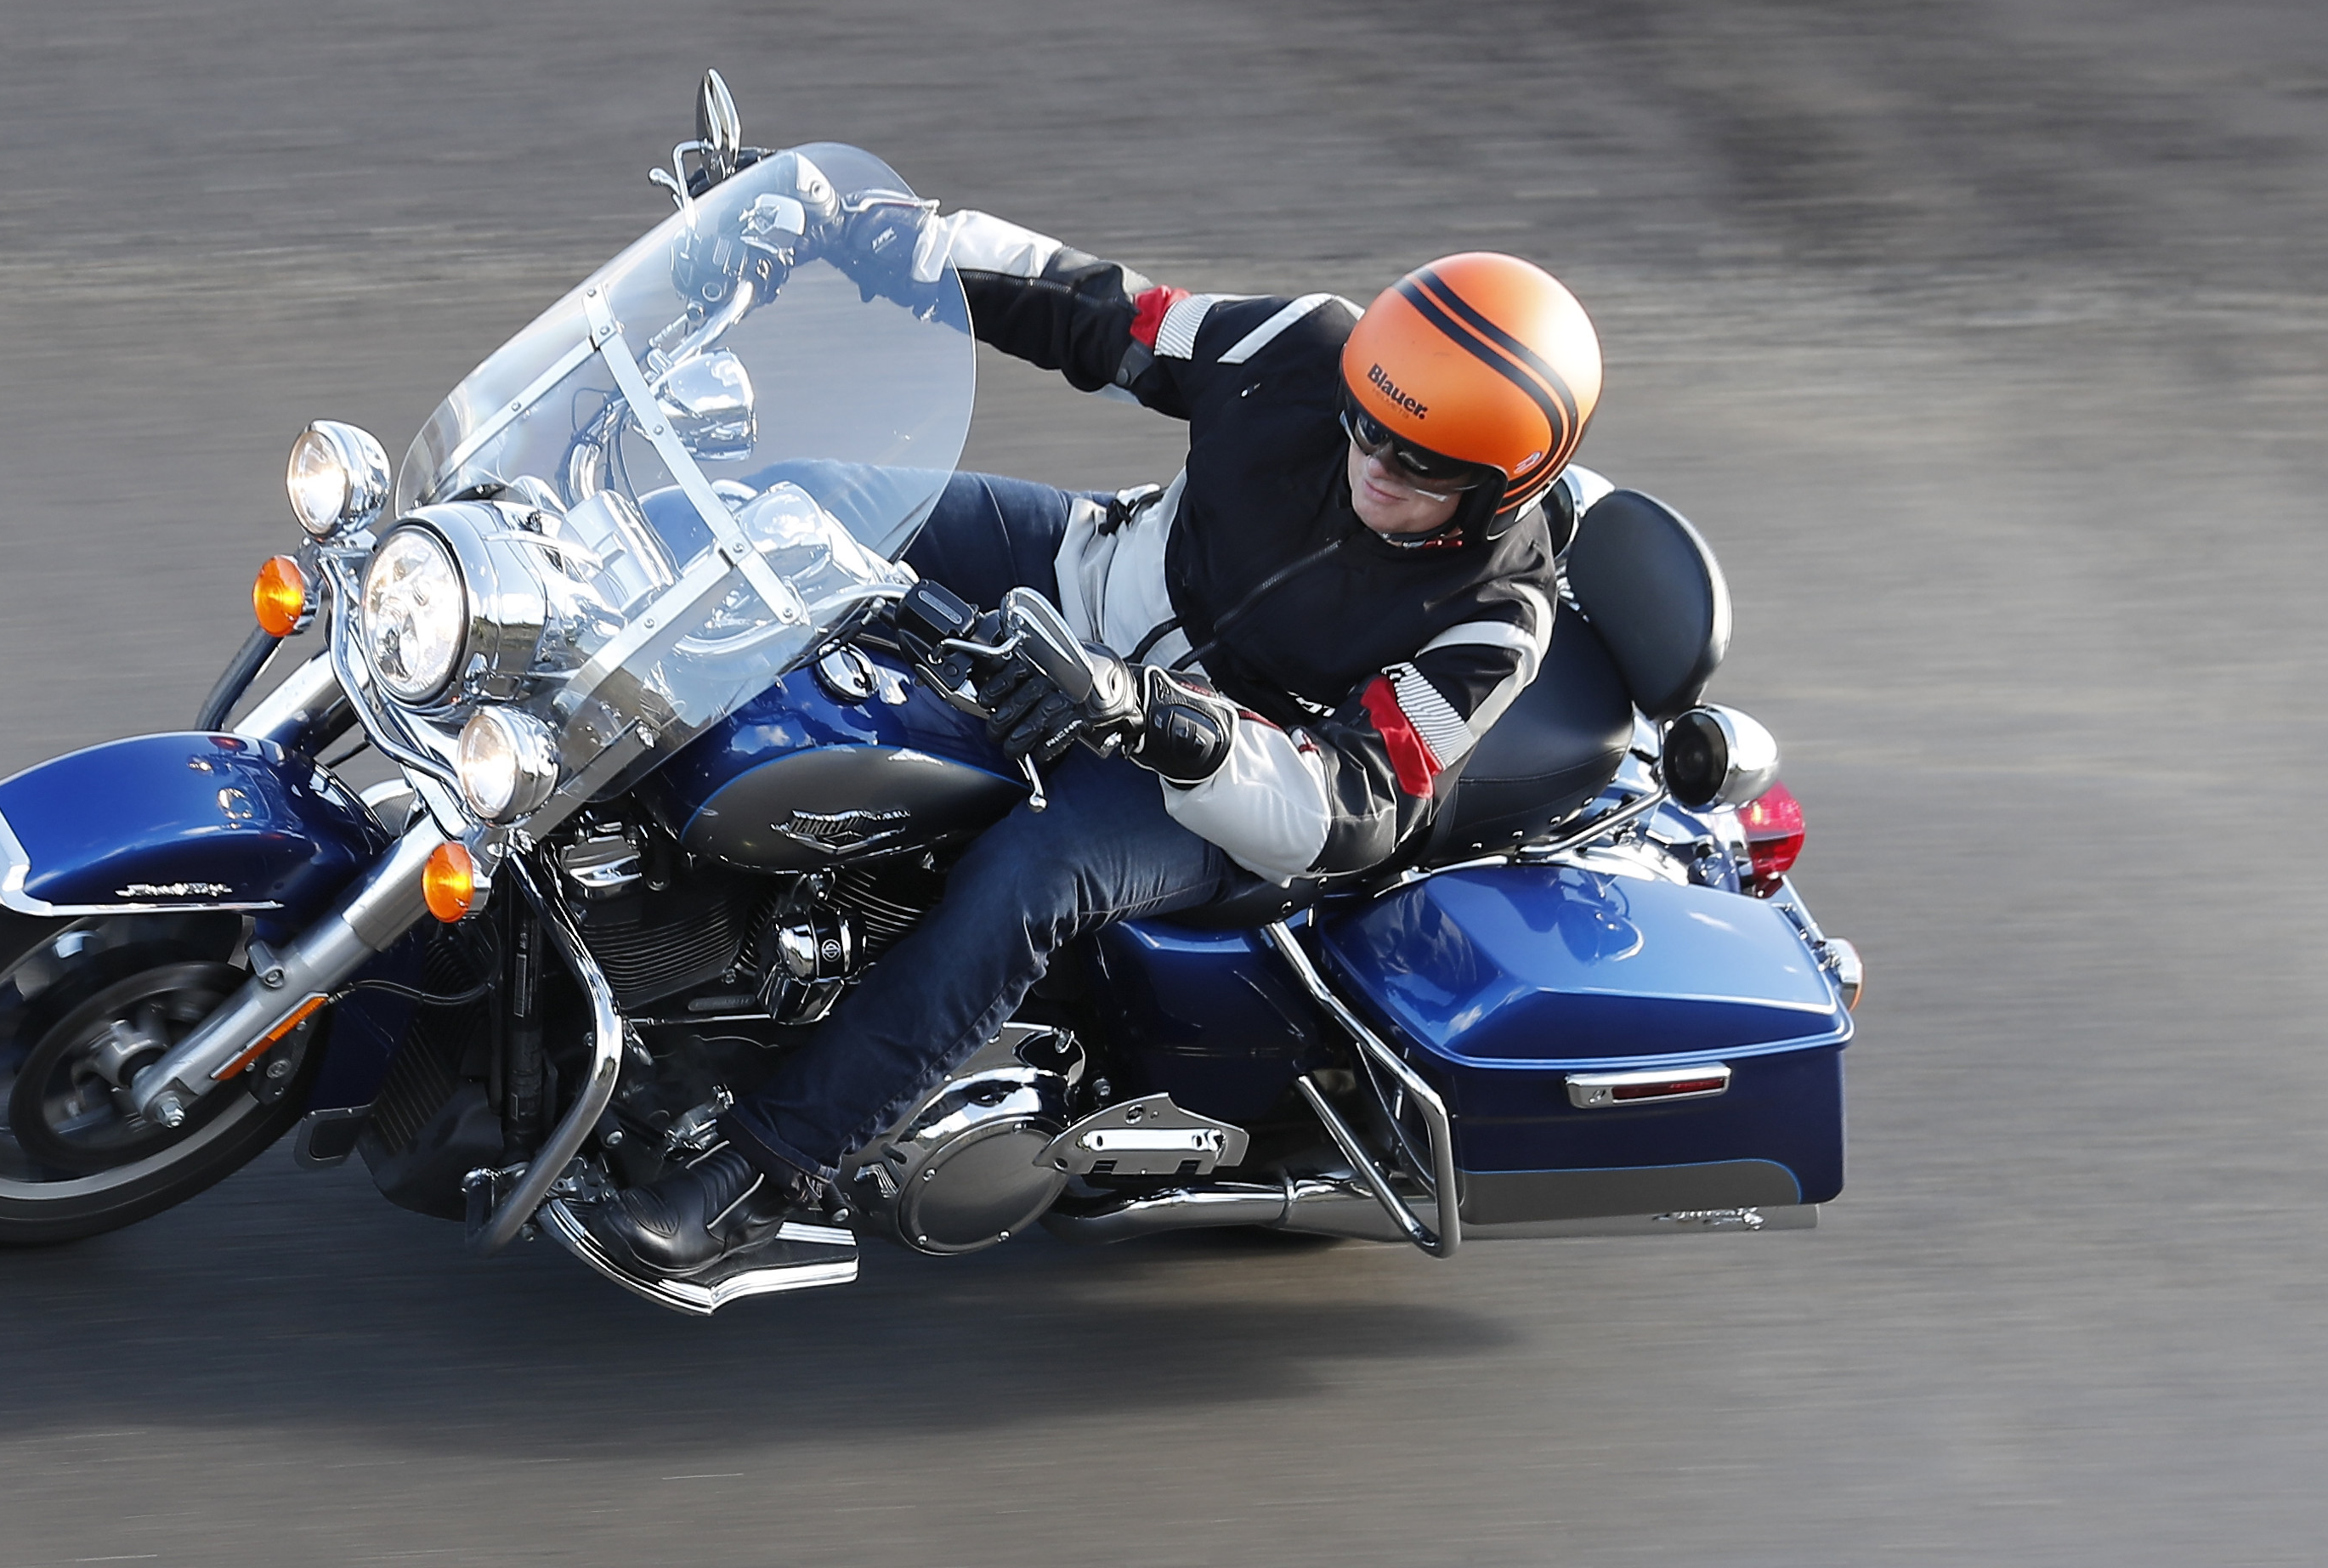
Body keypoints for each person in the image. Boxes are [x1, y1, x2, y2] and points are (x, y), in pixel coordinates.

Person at [566, 200, 1604, 1294]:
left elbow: (1353, 803)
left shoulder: (1495, 618)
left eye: (1421, 464)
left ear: (1505, 489)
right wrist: (862, 231)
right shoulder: (1301, 348)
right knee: (798, 509)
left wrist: (1161, 719)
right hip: (1082, 578)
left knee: (1029, 875)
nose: (1375, 466)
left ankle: (763, 1172)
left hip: (1216, 781)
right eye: (1365, 425)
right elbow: (1106, 313)